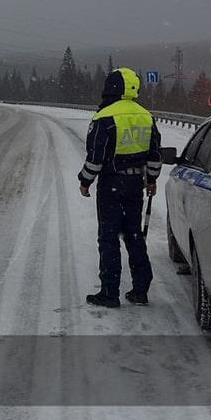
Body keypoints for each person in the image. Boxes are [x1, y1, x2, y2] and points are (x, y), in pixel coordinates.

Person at [78, 67, 162, 308]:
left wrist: (85, 181)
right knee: (134, 236)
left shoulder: (104, 117)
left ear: (110, 88)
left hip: (111, 185)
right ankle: (140, 290)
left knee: (108, 238)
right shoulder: (146, 116)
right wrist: (152, 180)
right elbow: (155, 155)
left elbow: (96, 158)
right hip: (135, 185)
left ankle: (109, 292)